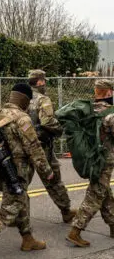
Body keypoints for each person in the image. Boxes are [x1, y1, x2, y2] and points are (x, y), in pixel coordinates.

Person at [0, 83, 54, 259]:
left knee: (23, 200)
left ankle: (27, 239)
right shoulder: (22, 119)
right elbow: (34, 147)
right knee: (11, 207)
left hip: (0, 167)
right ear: (25, 100)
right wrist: (47, 171)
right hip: (17, 170)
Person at [67, 79, 114, 247]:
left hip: (91, 157)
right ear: (108, 92)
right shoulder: (109, 114)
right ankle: (75, 231)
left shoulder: (88, 110)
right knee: (95, 195)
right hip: (104, 160)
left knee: (104, 192)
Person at [28, 69, 76, 223]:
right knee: (53, 179)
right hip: (43, 147)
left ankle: (17, 215)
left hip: (23, 145)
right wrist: (60, 129)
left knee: (20, 181)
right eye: (44, 80)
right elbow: (47, 121)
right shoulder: (42, 99)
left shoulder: (22, 97)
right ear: (40, 81)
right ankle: (66, 210)